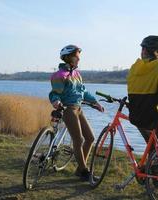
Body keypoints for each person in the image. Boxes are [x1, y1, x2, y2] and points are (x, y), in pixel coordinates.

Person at [126, 35, 158, 192]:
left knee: (154, 147)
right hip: (152, 117)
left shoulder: (134, 67)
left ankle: (154, 182)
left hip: (136, 117)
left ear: (144, 50)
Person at [49, 45, 104, 181]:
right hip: (68, 109)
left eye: (79, 57)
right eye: (77, 57)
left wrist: (94, 102)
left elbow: (83, 92)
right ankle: (85, 171)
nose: (79, 60)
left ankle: (80, 170)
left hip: (78, 109)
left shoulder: (77, 74)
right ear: (68, 58)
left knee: (90, 138)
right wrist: (55, 101)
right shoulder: (59, 75)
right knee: (78, 140)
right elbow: (54, 93)